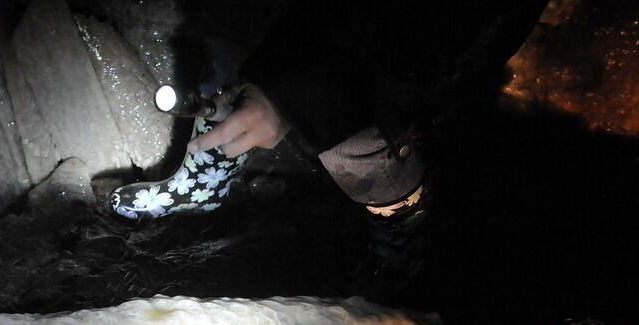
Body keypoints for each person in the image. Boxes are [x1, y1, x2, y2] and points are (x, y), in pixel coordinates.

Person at [111, 1, 548, 296]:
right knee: (233, 33)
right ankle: (207, 179)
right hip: (319, 26)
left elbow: (443, 28)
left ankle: (402, 234)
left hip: (407, 45)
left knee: (360, 141)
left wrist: (296, 93)